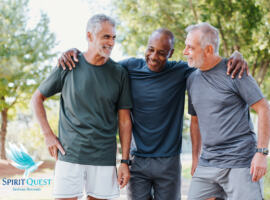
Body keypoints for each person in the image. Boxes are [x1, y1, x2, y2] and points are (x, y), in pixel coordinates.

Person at [58, 28, 248, 200]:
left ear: (171, 53)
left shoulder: (181, 71)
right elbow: (100, 64)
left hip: (169, 162)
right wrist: (74, 51)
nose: (154, 56)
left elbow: (209, 61)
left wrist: (236, 55)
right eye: (151, 49)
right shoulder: (129, 67)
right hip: (137, 160)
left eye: (162, 52)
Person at [31, 14, 133, 200]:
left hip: (103, 157)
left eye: (113, 37)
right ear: (89, 36)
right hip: (70, 154)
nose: (111, 42)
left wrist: (125, 161)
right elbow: (37, 98)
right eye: (106, 37)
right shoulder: (69, 64)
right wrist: (48, 135)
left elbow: (125, 121)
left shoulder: (119, 73)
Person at [184, 22, 270, 200]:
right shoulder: (192, 79)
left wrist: (261, 153)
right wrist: (195, 157)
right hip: (208, 163)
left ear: (208, 49)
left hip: (240, 162)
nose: (185, 52)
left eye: (190, 48)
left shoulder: (235, 71)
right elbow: (195, 120)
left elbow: (264, 109)